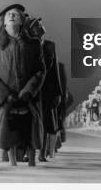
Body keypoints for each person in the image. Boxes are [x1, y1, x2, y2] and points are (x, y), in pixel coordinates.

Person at [0, 4, 46, 166]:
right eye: (8, 14)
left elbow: (40, 71)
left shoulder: (33, 44)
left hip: (29, 98)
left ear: (22, 21)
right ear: (3, 22)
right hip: (6, 100)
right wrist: (6, 95)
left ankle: (32, 163)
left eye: (16, 14)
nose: (11, 16)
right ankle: (13, 166)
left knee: (30, 134)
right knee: (8, 135)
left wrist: (28, 91)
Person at [24, 16, 62, 161]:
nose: (41, 26)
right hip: (32, 90)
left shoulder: (50, 45)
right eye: (37, 25)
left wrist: (57, 93)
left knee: (46, 122)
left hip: (47, 91)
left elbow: (54, 72)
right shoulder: (27, 46)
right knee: (31, 122)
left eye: (41, 24)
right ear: (32, 30)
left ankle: (42, 154)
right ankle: (30, 152)